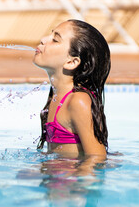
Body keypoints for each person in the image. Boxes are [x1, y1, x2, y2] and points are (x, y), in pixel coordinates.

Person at [33, 19, 110, 158]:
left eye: (55, 40)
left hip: (74, 179)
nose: (43, 40)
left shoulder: (77, 101)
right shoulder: (57, 96)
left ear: (71, 62)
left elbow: (97, 159)